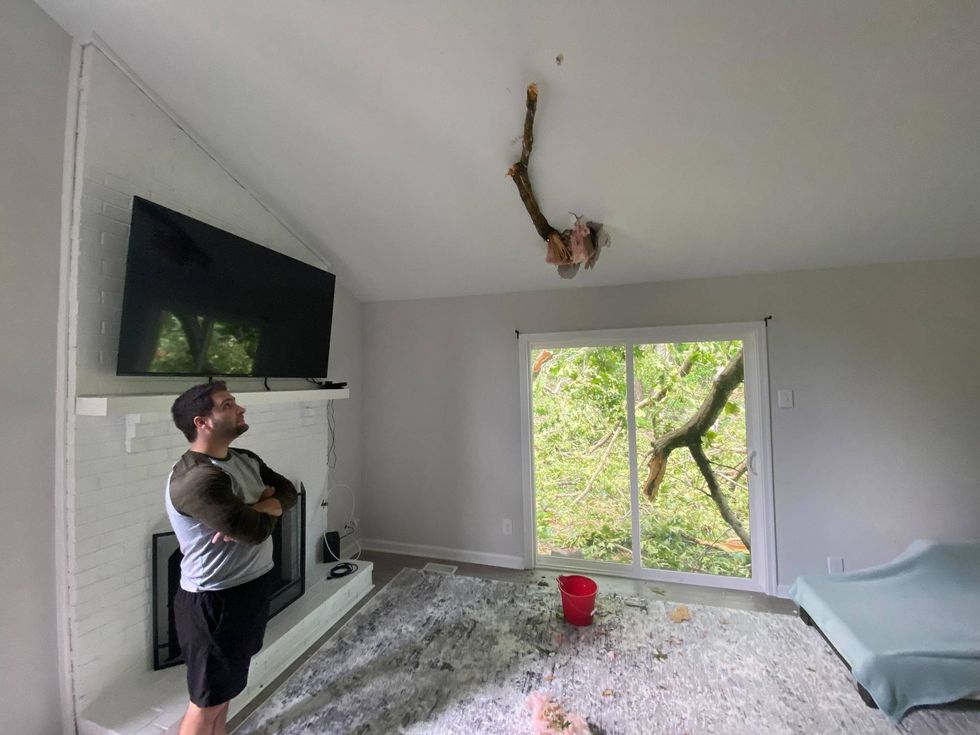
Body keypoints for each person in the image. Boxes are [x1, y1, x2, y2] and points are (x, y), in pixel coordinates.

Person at [166, 381, 297, 735]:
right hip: (214, 603)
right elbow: (254, 532)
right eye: (227, 404)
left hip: (249, 589)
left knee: (225, 691)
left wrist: (259, 507)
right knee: (204, 703)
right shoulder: (197, 479)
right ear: (202, 422)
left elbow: (288, 492)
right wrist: (261, 512)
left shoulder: (245, 459)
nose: (240, 409)